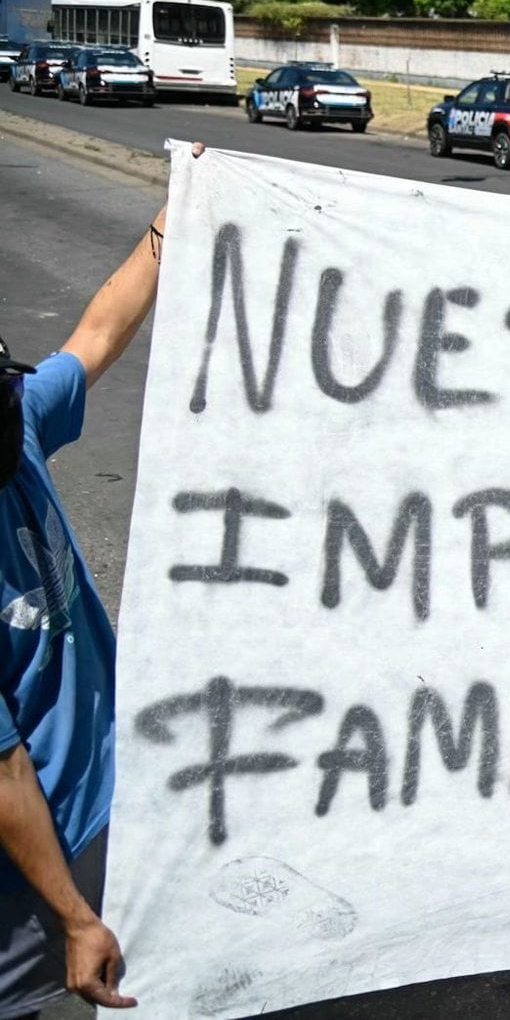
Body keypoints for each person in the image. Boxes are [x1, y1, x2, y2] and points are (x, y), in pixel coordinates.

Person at [0, 147, 211, 1014]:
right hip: (32, 864)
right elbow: (4, 773)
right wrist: (74, 916)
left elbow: (98, 330)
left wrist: (176, 212)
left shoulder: (18, 422)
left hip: (107, 801)